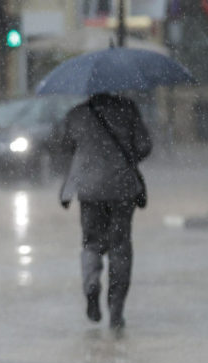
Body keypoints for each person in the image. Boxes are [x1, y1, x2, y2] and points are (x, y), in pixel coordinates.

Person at [58, 92, 151, 330]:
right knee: (120, 247)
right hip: (122, 189)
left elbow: (65, 147)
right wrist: (124, 154)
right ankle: (116, 309)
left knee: (91, 244)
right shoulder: (127, 110)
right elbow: (144, 146)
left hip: (89, 190)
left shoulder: (77, 114)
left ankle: (91, 284)